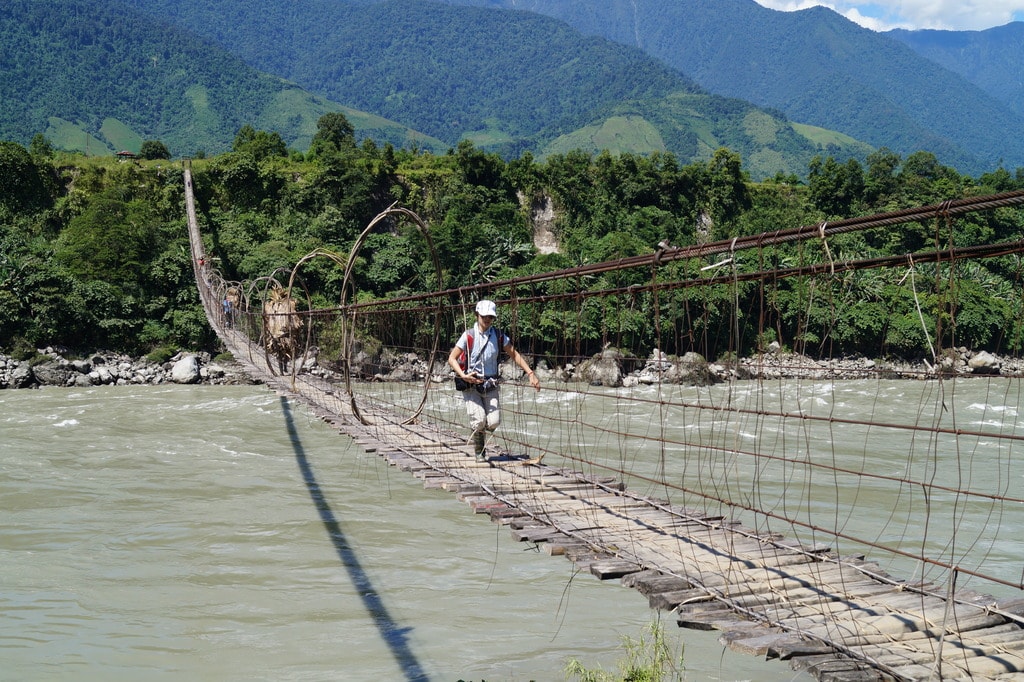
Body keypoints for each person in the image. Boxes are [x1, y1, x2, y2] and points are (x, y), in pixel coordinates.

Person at [448, 299, 540, 462]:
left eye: (490, 316)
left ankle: (480, 432)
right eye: (484, 316)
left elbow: (514, 354)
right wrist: (463, 375)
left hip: (491, 385)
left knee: (493, 422)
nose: (487, 319)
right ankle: (479, 453)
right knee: (479, 420)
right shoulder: (468, 335)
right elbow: (452, 358)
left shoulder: (498, 336)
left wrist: (530, 373)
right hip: (471, 385)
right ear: (477, 315)